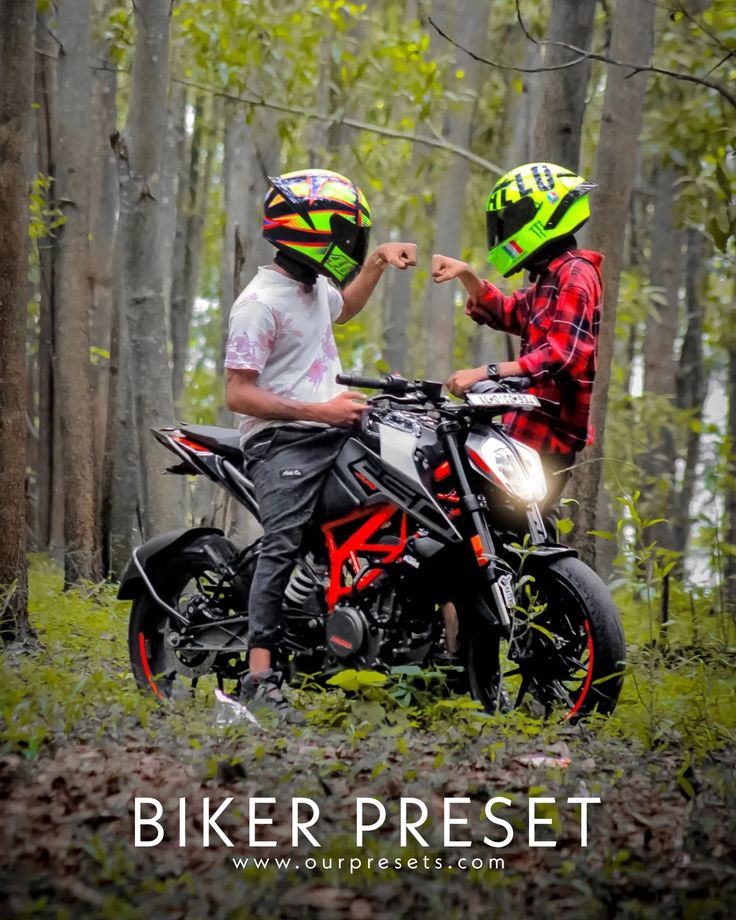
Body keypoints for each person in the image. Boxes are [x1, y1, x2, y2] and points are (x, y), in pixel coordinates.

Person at [224, 168, 416, 720]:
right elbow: (239, 394)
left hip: (334, 429)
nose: (347, 244)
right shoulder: (258, 303)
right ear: (307, 233)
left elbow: (344, 308)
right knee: (282, 545)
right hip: (281, 442)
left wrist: (378, 260)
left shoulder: (311, 288)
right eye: (344, 233)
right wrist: (320, 410)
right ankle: (258, 677)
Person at [432, 161, 602, 507]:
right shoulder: (552, 277)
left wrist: (486, 372)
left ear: (541, 216)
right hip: (527, 428)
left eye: (510, 221)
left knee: (517, 532)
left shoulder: (576, 274)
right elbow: (508, 311)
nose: (505, 230)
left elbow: (563, 354)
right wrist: (466, 274)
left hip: (549, 438)